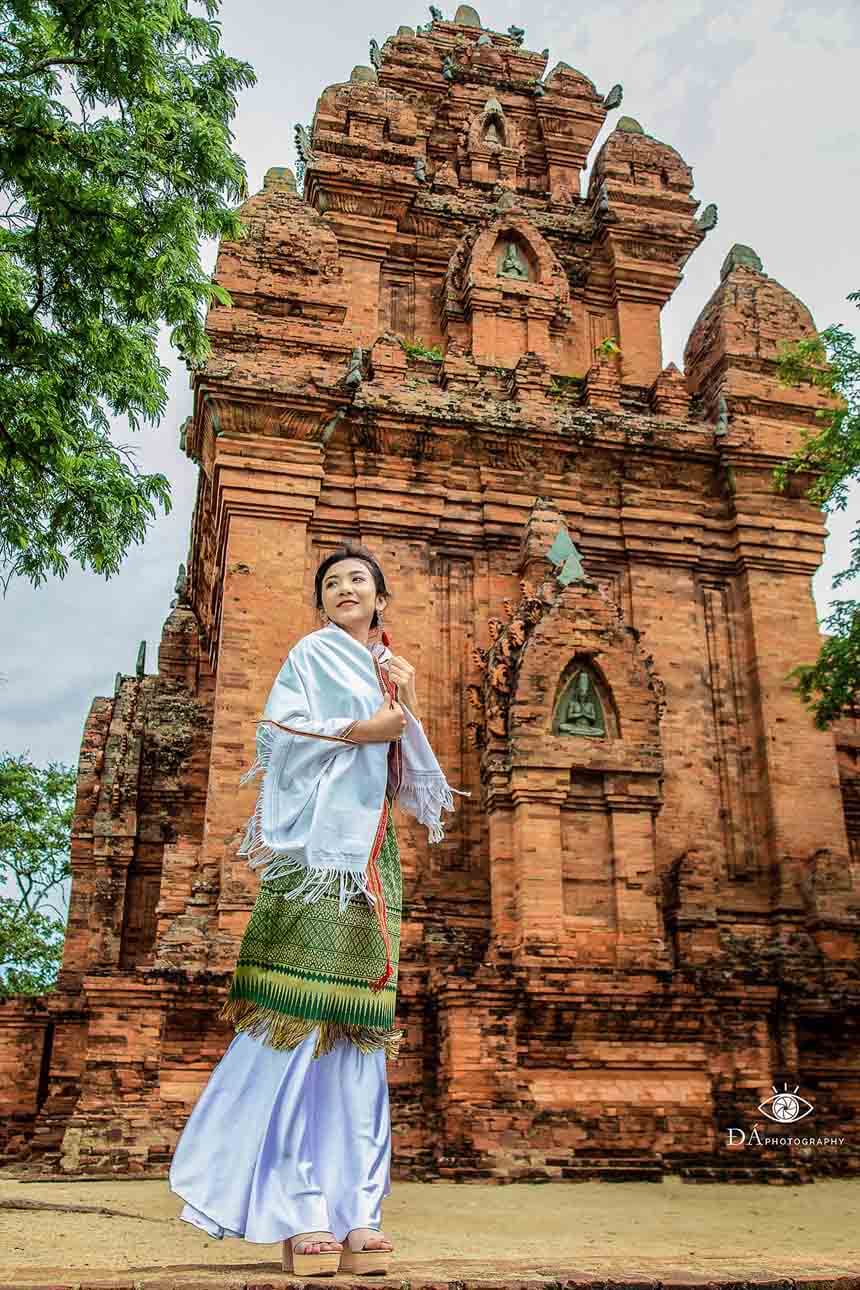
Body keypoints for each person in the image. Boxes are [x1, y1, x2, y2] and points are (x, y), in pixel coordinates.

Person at [168, 541, 468, 1276]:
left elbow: (406, 777)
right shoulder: (310, 656)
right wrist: (362, 728)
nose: (344, 589)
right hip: (313, 863)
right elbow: (278, 737)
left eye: (357, 580)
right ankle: (299, 1212)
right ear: (321, 601)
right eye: (332, 583)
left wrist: (403, 705)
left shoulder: (388, 667)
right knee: (296, 1024)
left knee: (359, 1035)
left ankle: (358, 1212)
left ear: (380, 598)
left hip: (371, 862)